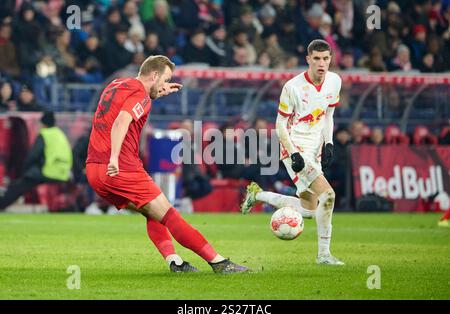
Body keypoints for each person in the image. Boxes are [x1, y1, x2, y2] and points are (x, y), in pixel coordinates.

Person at [85, 55, 248, 273]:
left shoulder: (116, 84)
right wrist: (114, 157)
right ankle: (218, 262)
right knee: (169, 214)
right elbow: (121, 121)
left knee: (152, 212)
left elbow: (117, 110)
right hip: (120, 167)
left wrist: (154, 93)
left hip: (94, 170)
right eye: (165, 78)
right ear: (154, 75)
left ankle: (175, 262)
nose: (166, 84)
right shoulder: (140, 94)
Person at [241, 40, 344, 265]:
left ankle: (257, 195)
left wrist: (329, 143)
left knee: (310, 210)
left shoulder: (335, 81)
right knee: (329, 196)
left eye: (326, 58)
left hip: (316, 148)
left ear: (330, 59)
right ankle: (324, 255)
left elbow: (328, 115)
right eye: (316, 58)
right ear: (308, 59)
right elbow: (280, 124)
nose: (321, 63)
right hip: (295, 147)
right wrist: (293, 153)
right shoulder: (293, 87)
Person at [0, 111, 73, 210]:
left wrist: (24, 170)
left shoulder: (45, 134)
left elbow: (34, 155)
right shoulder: (60, 134)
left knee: (19, 184)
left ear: (43, 123)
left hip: (49, 171)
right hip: (63, 173)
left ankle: (2, 204)